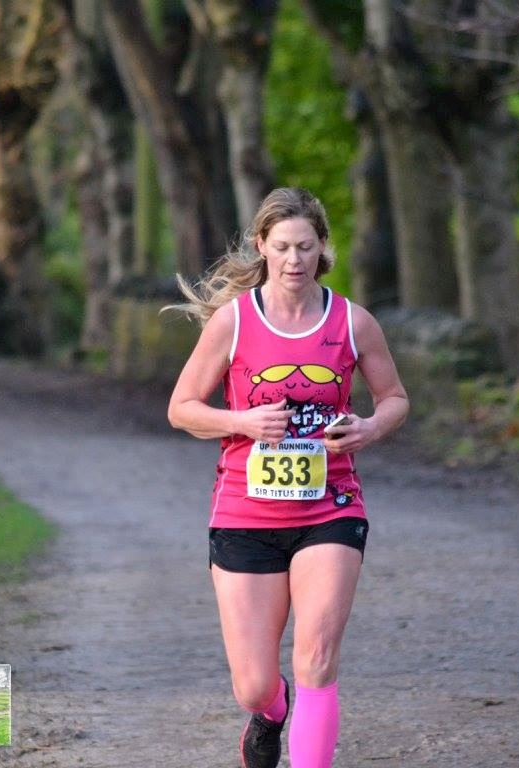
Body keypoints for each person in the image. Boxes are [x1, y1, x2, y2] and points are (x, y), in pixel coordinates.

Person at [167, 187, 409, 768]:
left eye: (305, 246)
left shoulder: (353, 322)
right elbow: (181, 408)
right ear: (261, 246)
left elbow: (395, 399)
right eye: (282, 247)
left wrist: (368, 428)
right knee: (253, 685)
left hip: (331, 508)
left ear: (323, 246)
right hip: (244, 514)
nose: (294, 260)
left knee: (316, 660)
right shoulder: (233, 322)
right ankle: (270, 712)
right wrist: (241, 421)